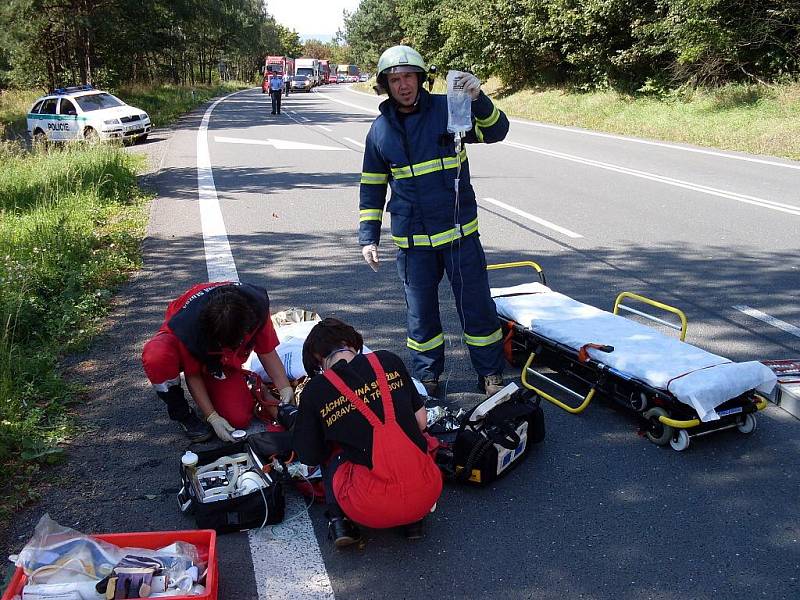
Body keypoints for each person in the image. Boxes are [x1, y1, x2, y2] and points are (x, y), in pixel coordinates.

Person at [358, 45, 510, 399]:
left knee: (478, 311)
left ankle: (490, 375)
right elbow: (372, 187)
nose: (403, 85)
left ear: (421, 79)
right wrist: (369, 236)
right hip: (413, 245)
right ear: (386, 85)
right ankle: (427, 378)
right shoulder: (379, 132)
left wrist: (478, 98)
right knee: (421, 319)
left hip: (459, 237)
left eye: (408, 76)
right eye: (395, 79)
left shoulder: (449, 108)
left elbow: (496, 131)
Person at [293, 318, 442, 547]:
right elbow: (421, 421)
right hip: (427, 490)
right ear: (351, 342)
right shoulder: (388, 361)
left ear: (317, 359)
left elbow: (310, 455)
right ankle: (415, 520)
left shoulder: (316, 389)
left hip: (369, 506)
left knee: (332, 449)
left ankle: (339, 521)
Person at [142, 282, 294, 442]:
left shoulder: (256, 308)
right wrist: (212, 417)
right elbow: (193, 375)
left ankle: (242, 379)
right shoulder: (191, 330)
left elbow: (267, 350)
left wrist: (284, 387)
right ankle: (182, 413)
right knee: (157, 355)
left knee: (238, 419)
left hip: (220, 339)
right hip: (181, 339)